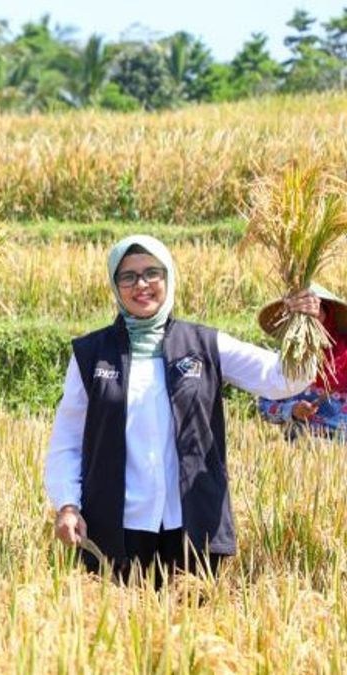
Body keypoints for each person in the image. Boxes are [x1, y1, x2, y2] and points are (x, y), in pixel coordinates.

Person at [44, 235, 319, 584]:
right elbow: (67, 440)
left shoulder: (205, 344)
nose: (141, 284)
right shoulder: (91, 354)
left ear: (169, 277)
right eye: (127, 276)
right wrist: (67, 504)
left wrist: (304, 325)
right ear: (115, 285)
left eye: (151, 273)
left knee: (192, 633)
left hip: (192, 525)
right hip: (115, 526)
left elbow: (282, 379)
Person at [258, 283, 347, 441]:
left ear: (328, 314)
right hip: (303, 446)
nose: (309, 320)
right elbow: (264, 408)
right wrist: (292, 410)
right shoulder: (283, 362)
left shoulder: (344, 355)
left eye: (314, 312)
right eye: (301, 314)